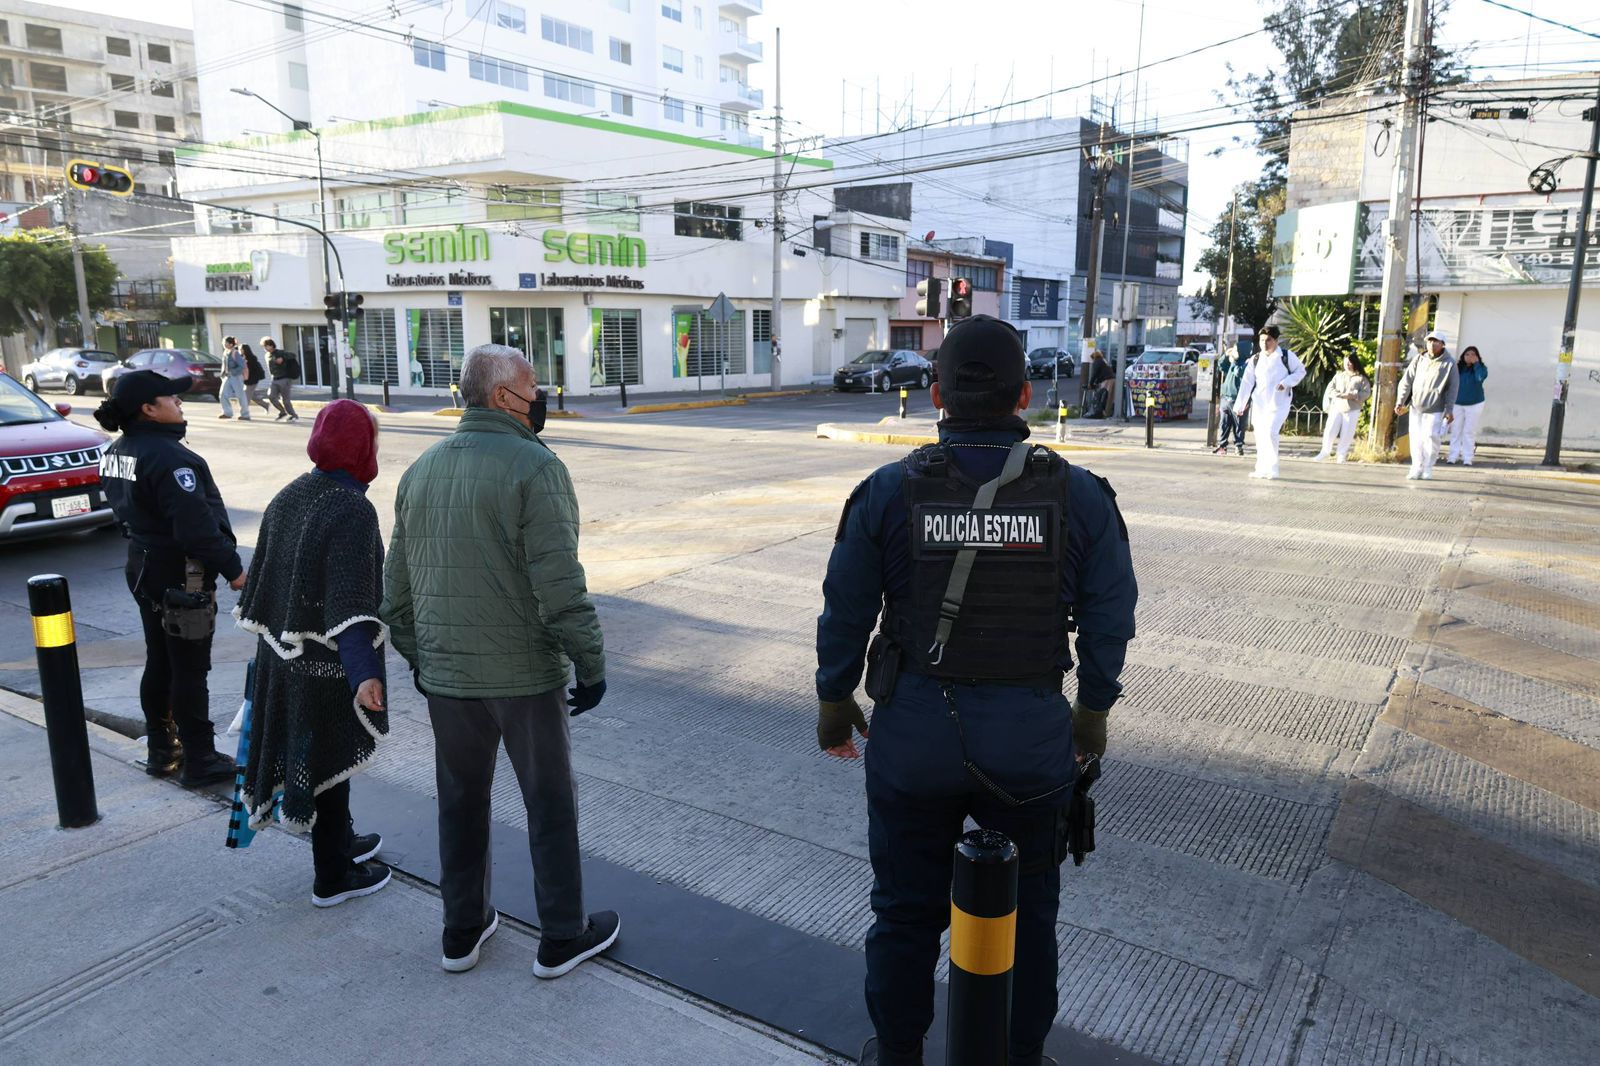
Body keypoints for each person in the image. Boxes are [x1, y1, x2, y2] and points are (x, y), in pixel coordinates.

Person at [815, 315, 1137, 1066]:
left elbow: (845, 611)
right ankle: (1020, 1056)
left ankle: (896, 1053)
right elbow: (1109, 618)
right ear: (1026, 393)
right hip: (1030, 740)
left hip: (914, 737)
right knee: (1030, 916)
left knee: (902, 914)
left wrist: (835, 703)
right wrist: (1091, 716)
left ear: (935, 397)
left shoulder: (887, 492)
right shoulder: (1081, 497)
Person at [380, 344, 617, 978]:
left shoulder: (421, 470)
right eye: (534, 387)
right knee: (548, 804)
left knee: (459, 802)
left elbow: (394, 592)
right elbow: (560, 582)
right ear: (503, 397)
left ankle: (461, 930)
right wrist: (589, 663)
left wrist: (424, 659)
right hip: (523, 678)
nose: (541, 397)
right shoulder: (535, 468)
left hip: (448, 680)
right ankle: (561, 936)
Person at [235, 400, 392, 907]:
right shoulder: (351, 509)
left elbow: (264, 584)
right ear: (362, 449)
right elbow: (349, 605)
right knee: (327, 764)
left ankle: (341, 842)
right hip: (324, 667)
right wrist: (363, 675)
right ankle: (333, 876)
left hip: (279, 659)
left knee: (318, 760)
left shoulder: (290, 494)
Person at [93, 370, 243, 787]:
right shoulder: (172, 458)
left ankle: (162, 750)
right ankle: (200, 759)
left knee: (160, 658)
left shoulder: (117, 450)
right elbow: (196, 530)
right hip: (185, 578)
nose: (180, 404)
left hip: (144, 567)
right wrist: (236, 571)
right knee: (190, 668)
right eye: (172, 399)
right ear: (148, 409)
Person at [1231, 325, 1306, 479]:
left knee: (1271, 433)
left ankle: (1273, 468)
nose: (1265, 344)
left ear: (1276, 341)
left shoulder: (1286, 356)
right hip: (1259, 404)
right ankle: (1261, 468)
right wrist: (1240, 404)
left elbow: (1301, 371)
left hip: (1279, 404)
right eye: (1262, 340)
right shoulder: (1256, 359)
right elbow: (1247, 382)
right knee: (1260, 435)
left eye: (1269, 340)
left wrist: (1286, 382)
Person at [1396, 329, 1459, 481]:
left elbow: (1452, 388)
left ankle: (1428, 467)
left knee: (1431, 438)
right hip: (1416, 406)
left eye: (1436, 341)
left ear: (1442, 344)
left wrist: (1449, 410)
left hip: (1435, 408)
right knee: (1416, 438)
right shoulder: (1419, 359)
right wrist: (1401, 401)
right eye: (1430, 341)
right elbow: (1407, 381)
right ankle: (1416, 467)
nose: (1432, 344)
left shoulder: (1449, 364)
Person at [1314, 354, 1372, 463]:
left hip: (1352, 408)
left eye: (1350, 363)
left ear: (1355, 363)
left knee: (1347, 433)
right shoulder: (1339, 376)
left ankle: (1341, 454)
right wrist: (1339, 394)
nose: (1348, 365)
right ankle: (1325, 451)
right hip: (1337, 407)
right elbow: (1330, 389)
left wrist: (1354, 396)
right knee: (1330, 430)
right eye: (1346, 363)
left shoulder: (1361, 378)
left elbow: (1366, 393)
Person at [1447, 345, 1487, 465]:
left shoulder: (1481, 368)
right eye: (1467, 354)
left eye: (1473, 354)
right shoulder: (1457, 368)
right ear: (1463, 356)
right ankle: (1453, 456)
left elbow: (1480, 378)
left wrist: (1476, 365)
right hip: (1457, 403)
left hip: (1475, 403)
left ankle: (1467, 457)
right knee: (1456, 430)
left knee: (1469, 431)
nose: (1470, 357)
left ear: (1478, 357)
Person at [1213, 346, 1250, 456]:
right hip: (1225, 397)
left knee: (1238, 424)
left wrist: (1235, 360)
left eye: (1235, 350)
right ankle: (1222, 445)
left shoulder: (1246, 363)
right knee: (1223, 423)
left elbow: (1238, 372)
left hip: (1238, 399)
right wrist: (1226, 355)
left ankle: (1238, 446)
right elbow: (1221, 365)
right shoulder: (1232, 362)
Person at [263, 337, 301, 422]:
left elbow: (293, 355)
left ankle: (293, 415)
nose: (265, 348)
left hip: (284, 378)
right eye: (264, 346)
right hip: (274, 379)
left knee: (286, 400)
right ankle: (282, 412)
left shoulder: (279, 352)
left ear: (271, 345)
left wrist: (283, 359)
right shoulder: (267, 355)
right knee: (271, 396)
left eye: (266, 346)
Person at [218, 336, 251, 421]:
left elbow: (242, 365)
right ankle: (227, 413)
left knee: (240, 395)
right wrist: (223, 374)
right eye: (223, 342)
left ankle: (245, 415)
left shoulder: (235, 353)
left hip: (236, 376)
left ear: (231, 344)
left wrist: (232, 372)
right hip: (227, 376)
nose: (223, 344)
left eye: (225, 342)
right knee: (223, 394)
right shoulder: (225, 352)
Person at [241, 342, 271, 414]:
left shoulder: (251, 358)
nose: (240, 351)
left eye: (241, 349)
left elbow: (252, 370)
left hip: (252, 380)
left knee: (246, 396)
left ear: (245, 350)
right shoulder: (242, 357)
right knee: (253, 396)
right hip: (247, 380)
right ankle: (265, 405)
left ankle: (244, 413)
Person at [1083, 350, 1114, 419]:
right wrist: (1096, 382)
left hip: (1107, 380)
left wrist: (1091, 383)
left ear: (1094, 357)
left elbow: (1095, 374)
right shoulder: (1103, 360)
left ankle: (1104, 413)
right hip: (1111, 379)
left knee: (1105, 396)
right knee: (1109, 397)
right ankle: (1106, 412)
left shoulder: (1097, 362)